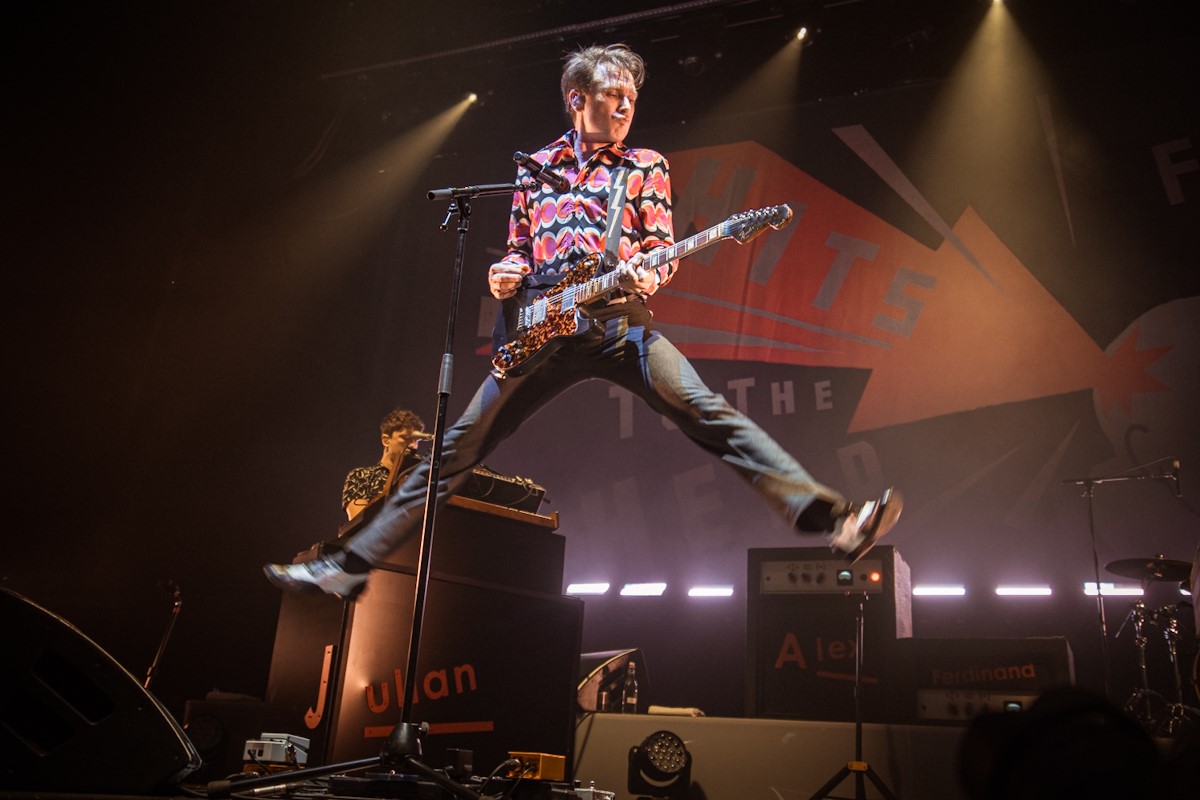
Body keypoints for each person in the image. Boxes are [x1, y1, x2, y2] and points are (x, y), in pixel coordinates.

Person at [265, 43, 903, 600]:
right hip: (541, 329)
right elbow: (517, 247)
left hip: (619, 324)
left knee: (705, 409)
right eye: (614, 96)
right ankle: (349, 566)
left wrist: (649, 273)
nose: (627, 108)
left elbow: (660, 249)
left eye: (632, 99)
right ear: (578, 99)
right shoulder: (534, 169)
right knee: (453, 450)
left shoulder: (645, 166)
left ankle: (835, 522)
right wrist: (503, 274)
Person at [340, 408, 427, 521]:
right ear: (386, 440)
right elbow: (358, 520)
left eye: (416, 440)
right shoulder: (361, 475)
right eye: (406, 438)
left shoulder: (422, 474)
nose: (412, 446)